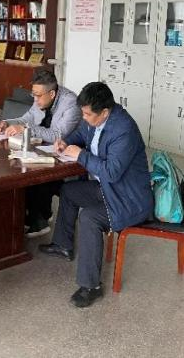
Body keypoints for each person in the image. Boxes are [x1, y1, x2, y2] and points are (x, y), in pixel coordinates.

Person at [39, 82, 153, 308]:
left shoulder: (124, 130)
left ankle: (91, 286)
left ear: (105, 112)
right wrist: (66, 142)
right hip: (109, 191)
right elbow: (81, 133)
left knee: (90, 217)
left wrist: (80, 155)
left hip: (128, 199)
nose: (84, 118)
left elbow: (111, 172)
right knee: (69, 191)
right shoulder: (94, 119)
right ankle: (63, 245)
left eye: (87, 114)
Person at [0, 69, 82, 237]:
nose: (35, 100)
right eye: (33, 95)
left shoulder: (71, 104)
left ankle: (39, 220)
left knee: (35, 173)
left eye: (38, 96)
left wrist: (27, 128)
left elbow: (57, 135)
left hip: (68, 155)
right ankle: (33, 216)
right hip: (46, 149)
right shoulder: (41, 96)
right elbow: (26, 119)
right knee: (20, 166)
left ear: (52, 93)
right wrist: (7, 123)